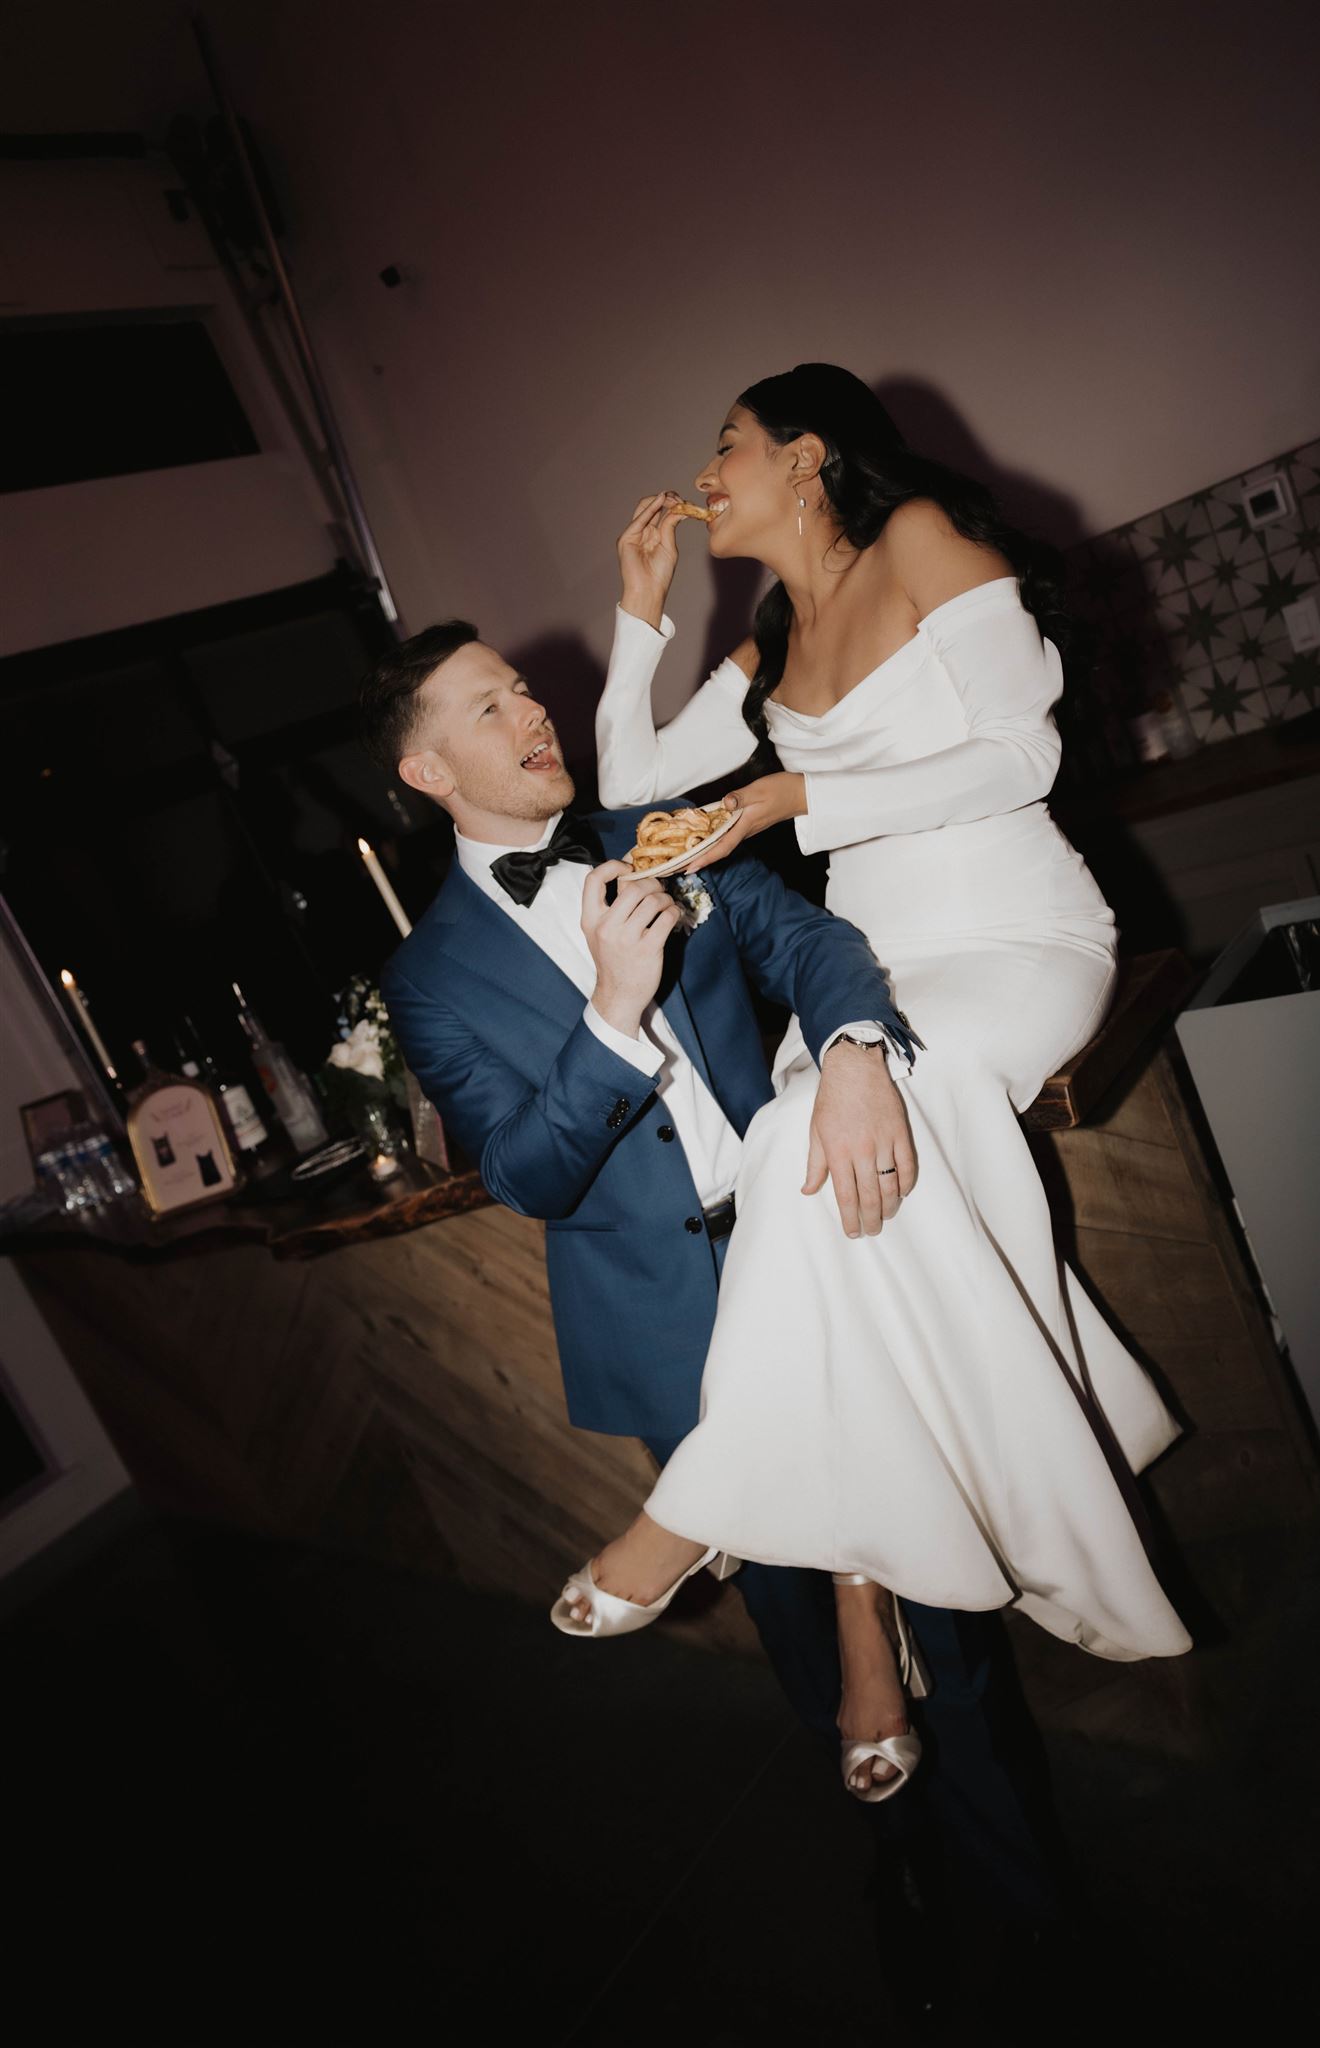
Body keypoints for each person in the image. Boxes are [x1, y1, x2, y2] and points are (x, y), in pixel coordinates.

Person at [358, 616, 1083, 2010]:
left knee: (944, 1608)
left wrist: (860, 1051)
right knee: (804, 1631)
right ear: (424, 769)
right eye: (483, 707)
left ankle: (1028, 1896)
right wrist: (613, 1020)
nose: (528, 715)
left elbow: (810, 942)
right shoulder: (430, 975)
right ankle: (903, 1860)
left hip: (822, 1247)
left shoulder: (655, 830)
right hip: (664, 1320)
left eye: (519, 687)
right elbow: (525, 1174)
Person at [568, 363, 1191, 1793]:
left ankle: (710, 1516)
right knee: (805, 1157)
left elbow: (1019, 751)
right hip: (866, 962)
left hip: (1011, 932)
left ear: (804, 457)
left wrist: (795, 796)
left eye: (723, 445)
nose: (704, 470)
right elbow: (631, 794)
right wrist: (637, 613)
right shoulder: (768, 635)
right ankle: (862, 1608)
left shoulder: (917, 540)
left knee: (861, 1123)